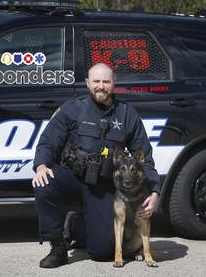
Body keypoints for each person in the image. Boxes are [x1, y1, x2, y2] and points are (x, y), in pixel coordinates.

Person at [32, 63, 161, 268]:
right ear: (87, 83)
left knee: (102, 251)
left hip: (102, 186)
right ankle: (57, 246)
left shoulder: (127, 114)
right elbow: (48, 141)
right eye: (96, 81)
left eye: (106, 81)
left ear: (114, 84)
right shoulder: (72, 108)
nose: (101, 86)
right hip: (72, 176)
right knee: (44, 183)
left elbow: (145, 156)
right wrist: (41, 166)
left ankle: (75, 225)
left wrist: (154, 191)